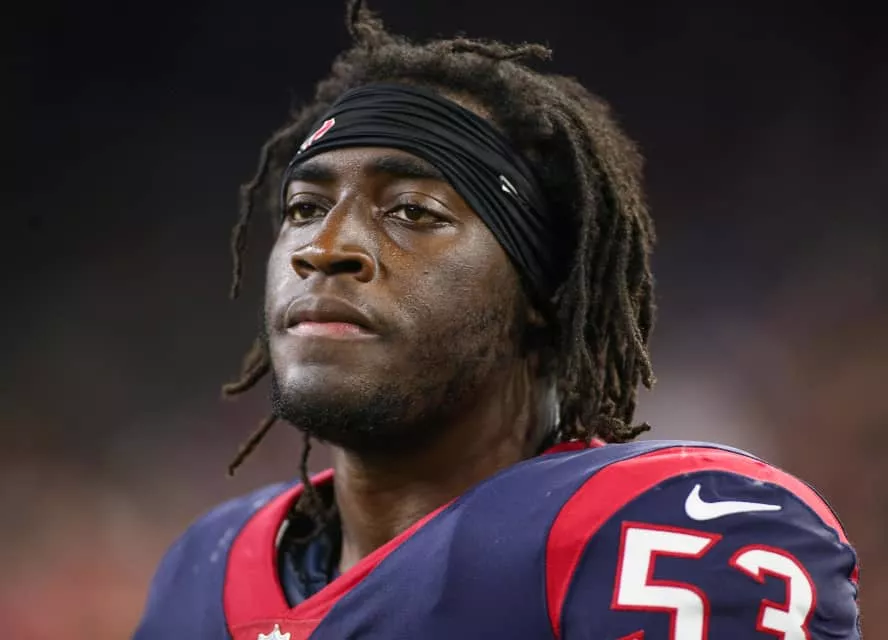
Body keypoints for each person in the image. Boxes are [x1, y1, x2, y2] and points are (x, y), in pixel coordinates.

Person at [132, 2, 861, 638]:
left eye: (412, 211)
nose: (324, 248)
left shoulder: (671, 532)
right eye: (305, 208)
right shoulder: (203, 569)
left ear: (544, 290)